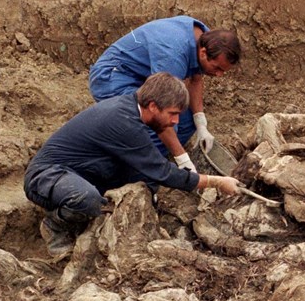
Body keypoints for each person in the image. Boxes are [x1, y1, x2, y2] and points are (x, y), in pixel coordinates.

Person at [24, 72, 241, 260]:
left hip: (83, 172)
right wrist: (216, 182)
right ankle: (55, 226)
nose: (176, 121)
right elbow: (163, 171)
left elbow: (151, 170)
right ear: (153, 106)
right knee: (87, 199)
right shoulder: (122, 121)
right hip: (46, 176)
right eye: (173, 114)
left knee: (144, 176)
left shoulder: (131, 111)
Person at [89, 16, 241, 171]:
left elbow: (195, 79)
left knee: (187, 120)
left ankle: (155, 155)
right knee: (158, 120)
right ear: (203, 53)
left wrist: (201, 124)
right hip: (113, 77)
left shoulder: (206, 39)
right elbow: (162, 113)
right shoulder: (172, 54)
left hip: (144, 77)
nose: (219, 75)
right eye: (217, 68)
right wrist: (182, 159)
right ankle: (135, 166)